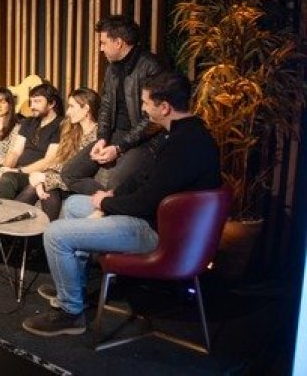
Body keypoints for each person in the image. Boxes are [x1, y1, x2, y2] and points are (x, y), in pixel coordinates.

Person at [22, 72, 221, 337]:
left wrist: (107, 203)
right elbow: (144, 180)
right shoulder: (180, 134)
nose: (143, 109)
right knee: (74, 205)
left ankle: (71, 312)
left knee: (55, 233)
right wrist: (113, 193)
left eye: (146, 102)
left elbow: (145, 202)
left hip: (161, 234)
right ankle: (74, 289)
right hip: (154, 218)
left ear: (164, 107)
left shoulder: (185, 144)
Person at [61, 15, 162, 195]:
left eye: (103, 43)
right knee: (69, 174)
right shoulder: (112, 68)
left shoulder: (151, 66)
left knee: (116, 183)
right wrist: (102, 138)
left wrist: (119, 148)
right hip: (115, 135)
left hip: (144, 139)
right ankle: (107, 200)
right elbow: (106, 106)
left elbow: (154, 118)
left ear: (118, 43)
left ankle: (110, 200)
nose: (101, 48)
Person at [0, 82, 63, 201]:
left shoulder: (60, 125)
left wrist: (16, 171)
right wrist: (3, 170)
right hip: (15, 170)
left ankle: (1, 212)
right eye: (31, 102)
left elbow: (49, 160)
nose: (32, 106)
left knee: (7, 179)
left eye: (37, 101)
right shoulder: (28, 122)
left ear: (51, 103)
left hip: (32, 174)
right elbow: (15, 152)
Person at [14, 88, 100, 220]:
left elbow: (79, 173)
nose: (68, 112)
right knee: (43, 188)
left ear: (86, 108)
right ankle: (39, 230)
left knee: (43, 185)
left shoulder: (98, 136)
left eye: (72, 106)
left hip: (79, 185)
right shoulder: (72, 130)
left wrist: (44, 178)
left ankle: (9, 226)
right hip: (61, 182)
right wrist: (41, 179)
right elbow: (59, 161)